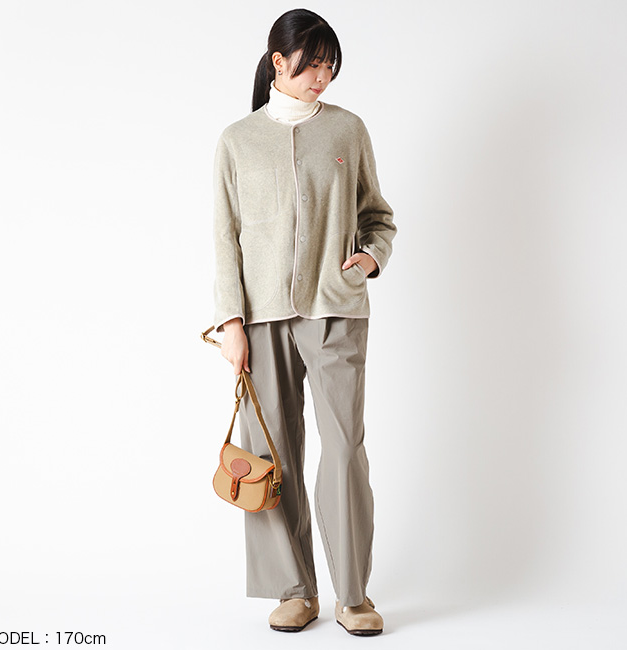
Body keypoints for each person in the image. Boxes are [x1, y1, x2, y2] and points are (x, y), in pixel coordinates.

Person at [211, 8, 397, 636]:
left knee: (344, 448)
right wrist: (230, 321)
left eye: (329, 65)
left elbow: (377, 216)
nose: (323, 76)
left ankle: (353, 596)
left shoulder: (347, 130)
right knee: (270, 451)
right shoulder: (237, 141)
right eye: (312, 64)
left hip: (336, 308)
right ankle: (294, 589)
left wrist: (370, 257)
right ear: (278, 63)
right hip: (260, 316)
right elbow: (224, 238)